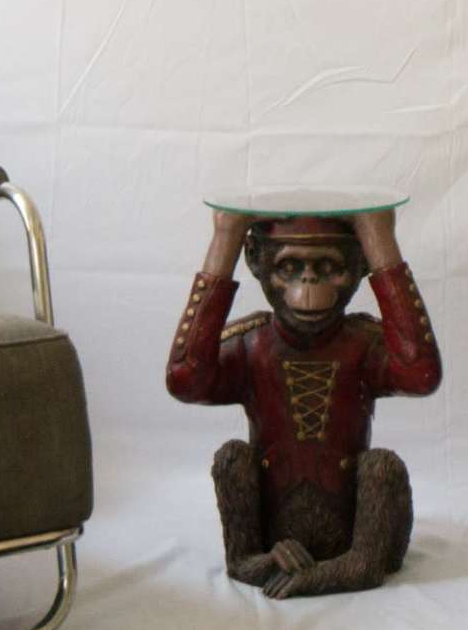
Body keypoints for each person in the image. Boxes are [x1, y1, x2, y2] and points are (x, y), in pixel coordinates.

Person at [164, 207, 440, 598]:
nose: (308, 283)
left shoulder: (362, 344)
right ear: (257, 263)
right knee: (231, 457)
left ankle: (356, 565)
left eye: (328, 268)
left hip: (359, 534)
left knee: (382, 467)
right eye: (289, 268)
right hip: (273, 535)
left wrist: (379, 241)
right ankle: (246, 559)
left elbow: (420, 373)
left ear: (358, 265)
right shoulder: (251, 344)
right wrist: (226, 239)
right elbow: (185, 379)